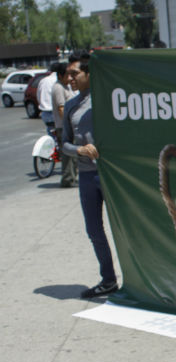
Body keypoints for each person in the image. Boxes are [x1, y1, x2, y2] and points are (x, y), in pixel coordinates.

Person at [62, 51, 118, 299]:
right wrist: (79, 149)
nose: (69, 78)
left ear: (88, 73)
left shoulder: (108, 100)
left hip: (112, 175)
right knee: (94, 230)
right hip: (86, 177)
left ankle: (144, 280)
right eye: (68, 74)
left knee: (126, 229)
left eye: (75, 73)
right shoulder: (72, 106)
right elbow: (63, 143)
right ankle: (108, 280)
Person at [51, 61, 77, 188]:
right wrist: (69, 124)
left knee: (73, 156)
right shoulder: (58, 88)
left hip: (69, 126)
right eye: (67, 75)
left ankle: (72, 177)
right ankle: (67, 179)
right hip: (64, 127)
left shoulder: (65, 86)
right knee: (67, 156)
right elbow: (61, 108)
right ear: (60, 76)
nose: (70, 78)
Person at [37, 63, 58, 135]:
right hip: (56, 111)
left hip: (45, 113)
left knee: (52, 135)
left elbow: (38, 96)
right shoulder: (58, 80)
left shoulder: (43, 80)